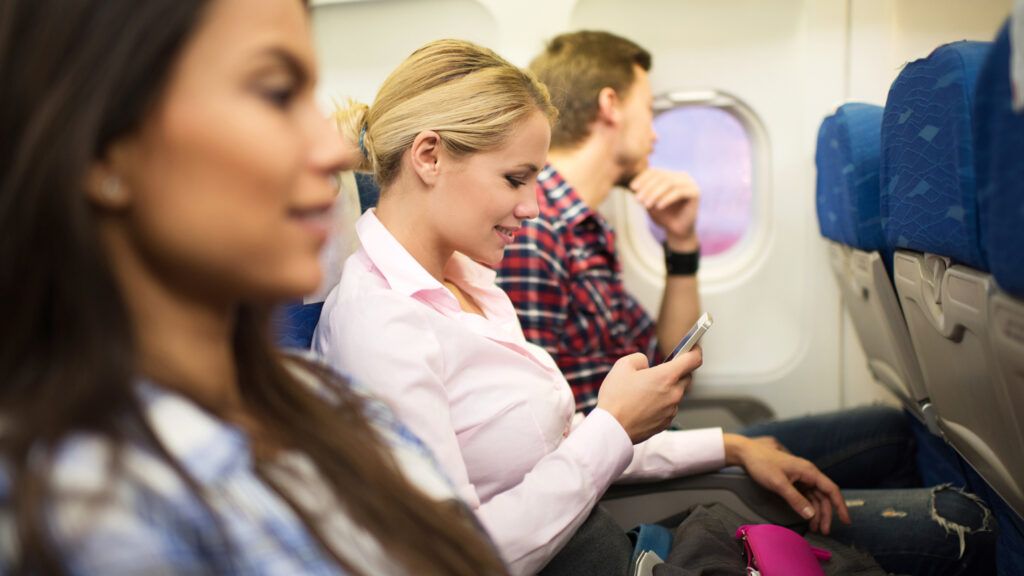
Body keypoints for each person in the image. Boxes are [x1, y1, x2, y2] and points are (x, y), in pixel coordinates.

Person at [0, 1, 508, 574]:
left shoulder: (330, 396)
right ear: (101, 146)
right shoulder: (88, 508)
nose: (335, 152)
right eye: (274, 93)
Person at [315, 38, 855, 576]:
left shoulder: (469, 283)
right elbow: (456, 557)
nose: (530, 206)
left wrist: (729, 445)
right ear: (429, 156)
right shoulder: (380, 325)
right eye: (514, 178)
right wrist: (615, 423)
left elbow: (565, 442)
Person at [494, 30, 996, 575]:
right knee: (958, 519)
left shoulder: (589, 229)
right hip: (630, 474)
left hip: (660, 447)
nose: (655, 133)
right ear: (611, 106)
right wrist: (729, 449)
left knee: (890, 430)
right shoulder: (534, 236)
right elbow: (552, 435)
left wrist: (682, 245)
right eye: (648, 108)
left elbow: (662, 356)